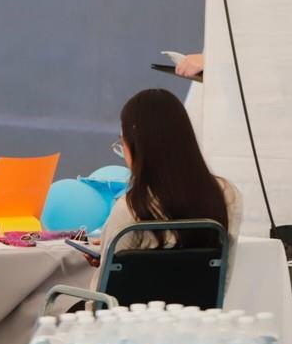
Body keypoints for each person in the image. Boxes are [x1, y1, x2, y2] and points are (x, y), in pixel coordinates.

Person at [90, 88, 241, 287]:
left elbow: (101, 297)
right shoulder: (226, 194)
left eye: (122, 141)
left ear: (136, 146)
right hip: (198, 313)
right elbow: (224, 276)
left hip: (129, 316)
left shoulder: (131, 208)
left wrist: (107, 258)